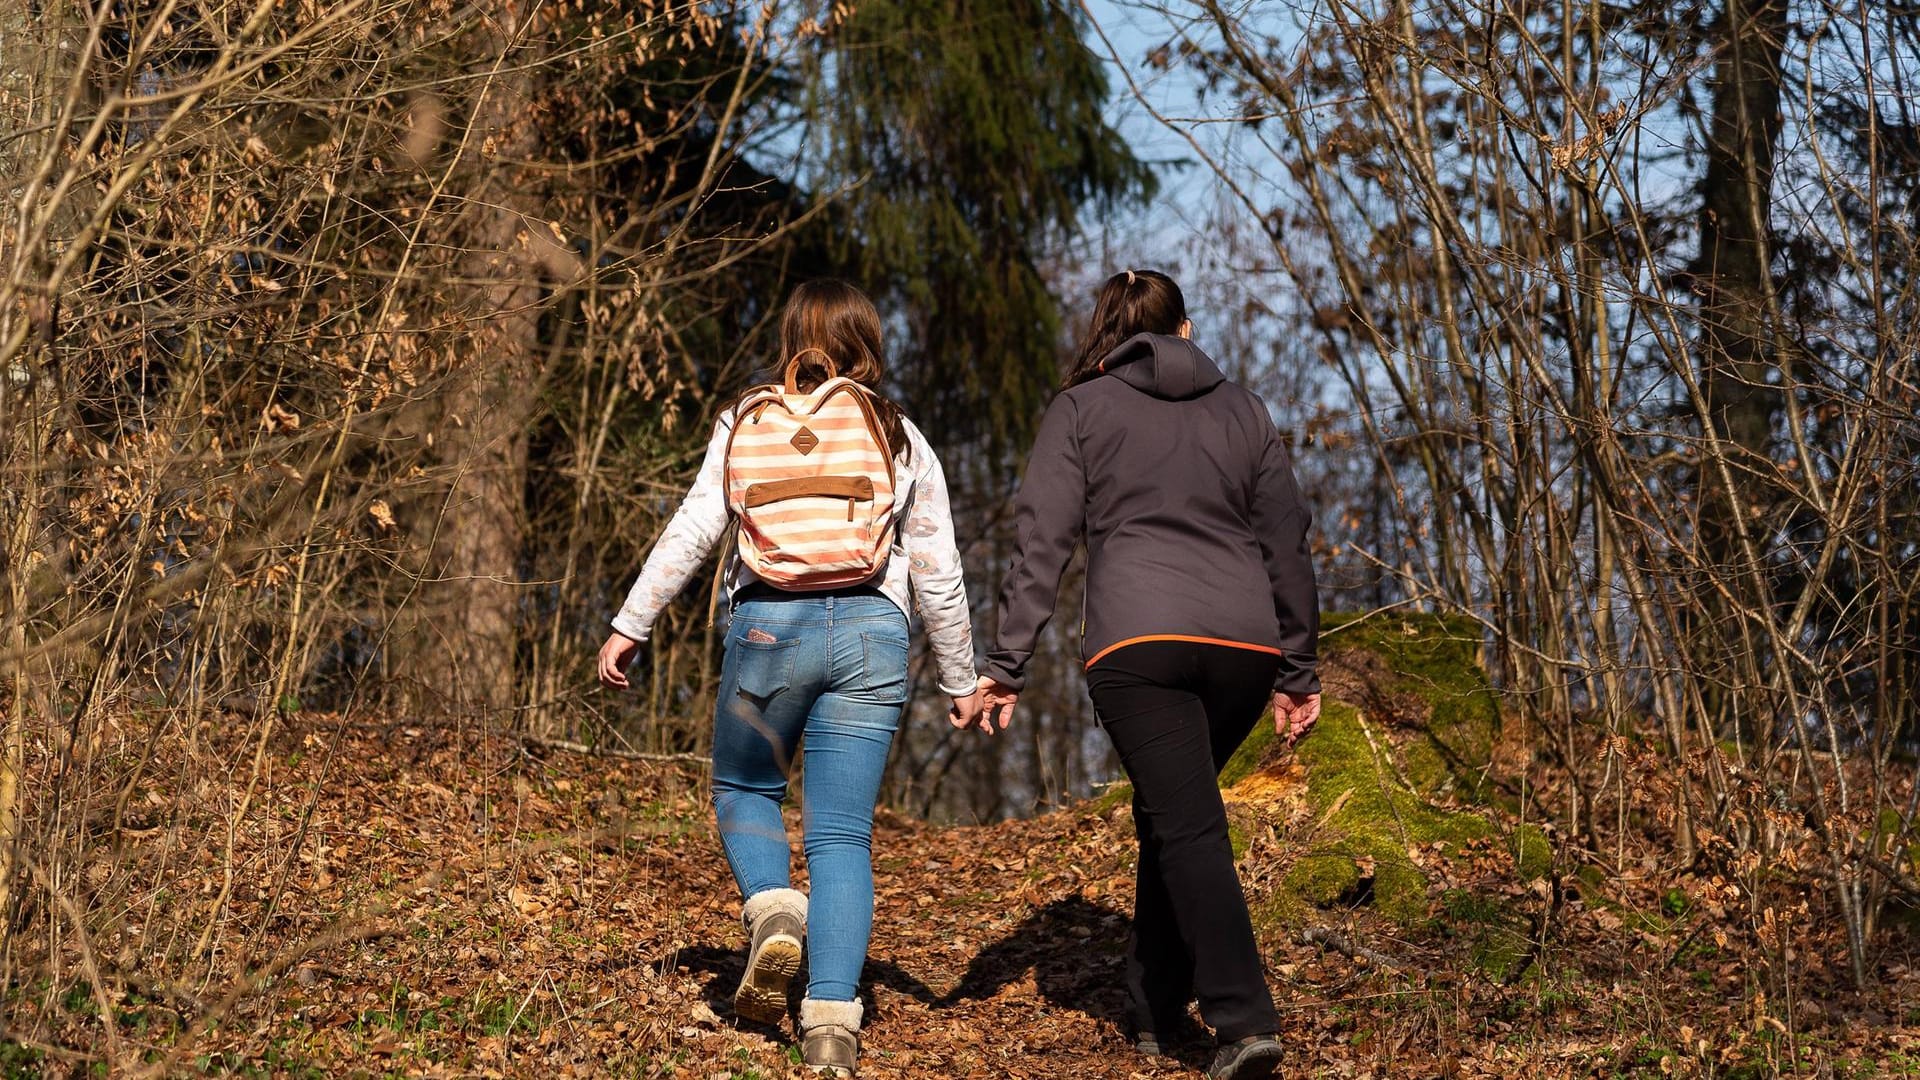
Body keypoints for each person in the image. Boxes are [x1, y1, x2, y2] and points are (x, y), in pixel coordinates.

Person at [599, 280, 982, 1077]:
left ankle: (774, 907)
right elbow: (938, 565)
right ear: (867, 346)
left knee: (745, 787)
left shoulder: (746, 421)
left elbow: (698, 525)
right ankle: (832, 1025)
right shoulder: (897, 432)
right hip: (873, 634)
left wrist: (632, 622)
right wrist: (960, 677)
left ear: (790, 341)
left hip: (771, 626)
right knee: (842, 835)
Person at [970, 269, 1321, 1080]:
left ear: (1108, 333)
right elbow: (1287, 540)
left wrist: (1007, 664)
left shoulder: (1082, 409)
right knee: (1176, 815)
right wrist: (1298, 666)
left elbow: (1041, 546)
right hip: (1244, 650)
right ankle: (1155, 1006)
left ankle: (1243, 1020)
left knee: (1189, 825)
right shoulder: (1244, 410)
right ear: (1185, 331)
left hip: (1138, 648)